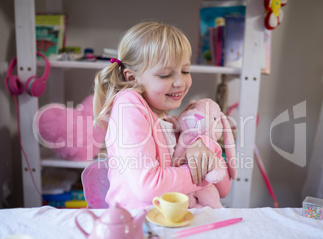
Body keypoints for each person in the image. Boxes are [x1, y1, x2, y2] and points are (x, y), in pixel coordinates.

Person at [93, 21, 232, 209]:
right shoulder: (128, 105)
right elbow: (149, 187)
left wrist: (204, 145)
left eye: (185, 71)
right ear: (132, 77)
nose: (180, 82)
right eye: (166, 75)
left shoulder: (171, 123)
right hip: (138, 224)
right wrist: (201, 170)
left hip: (167, 222)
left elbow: (223, 188)